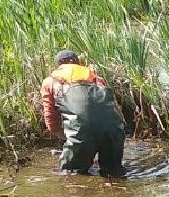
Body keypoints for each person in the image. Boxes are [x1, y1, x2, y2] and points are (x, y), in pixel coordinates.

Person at [39, 49, 127, 178]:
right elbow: (114, 109)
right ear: (78, 62)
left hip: (81, 134)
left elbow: (50, 116)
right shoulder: (96, 78)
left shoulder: (51, 81)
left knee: (73, 176)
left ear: (59, 64)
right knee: (114, 174)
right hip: (113, 132)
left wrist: (61, 134)